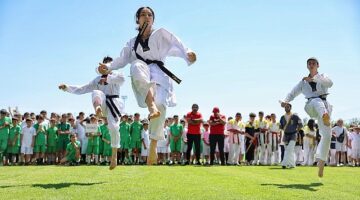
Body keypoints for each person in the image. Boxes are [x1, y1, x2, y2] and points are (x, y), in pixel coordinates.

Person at [98, 7, 197, 165]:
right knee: (136, 65)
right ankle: (151, 106)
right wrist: (107, 67)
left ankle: (153, 144)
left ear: (153, 19)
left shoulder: (161, 34)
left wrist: (188, 54)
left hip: (160, 73)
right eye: (143, 14)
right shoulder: (131, 43)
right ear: (137, 20)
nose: (146, 16)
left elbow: (177, 44)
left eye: (149, 14)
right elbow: (121, 59)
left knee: (161, 104)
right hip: (142, 74)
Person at [59, 56, 125, 170]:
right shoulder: (97, 79)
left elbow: (122, 80)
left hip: (115, 104)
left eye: (109, 65)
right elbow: (82, 88)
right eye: (104, 65)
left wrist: (108, 79)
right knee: (96, 92)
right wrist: (67, 88)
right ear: (101, 66)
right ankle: (97, 109)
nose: (106, 67)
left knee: (114, 128)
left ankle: (114, 156)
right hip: (103, 103)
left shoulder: (117, 75)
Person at [280, 57, 333, 177]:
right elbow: (293, 93)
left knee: (327, 135)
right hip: (311, 106)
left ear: (318, 65)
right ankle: (324, 115)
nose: (311, 64)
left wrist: (315, 78)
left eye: (314, 63)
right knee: (316, 100)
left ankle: (321, 163)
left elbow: (330, 83)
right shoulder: (303, 82)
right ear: (307, 66)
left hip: (325, 106)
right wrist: (285, 101)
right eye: (309, 63)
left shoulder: (323, 76)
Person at [279, 104, 302, 169]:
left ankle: (284, 163)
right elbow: (280, 126)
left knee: (289, 149)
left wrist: (297, 130)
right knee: (289, 150)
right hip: (286, 135)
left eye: (288, 107)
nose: (286, 108)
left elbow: (300, 124)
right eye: (285, 107)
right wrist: (282, 128)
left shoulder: (295, 116)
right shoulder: (282, 117)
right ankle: (292, 164)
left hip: (293, 135)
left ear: (290, 108)